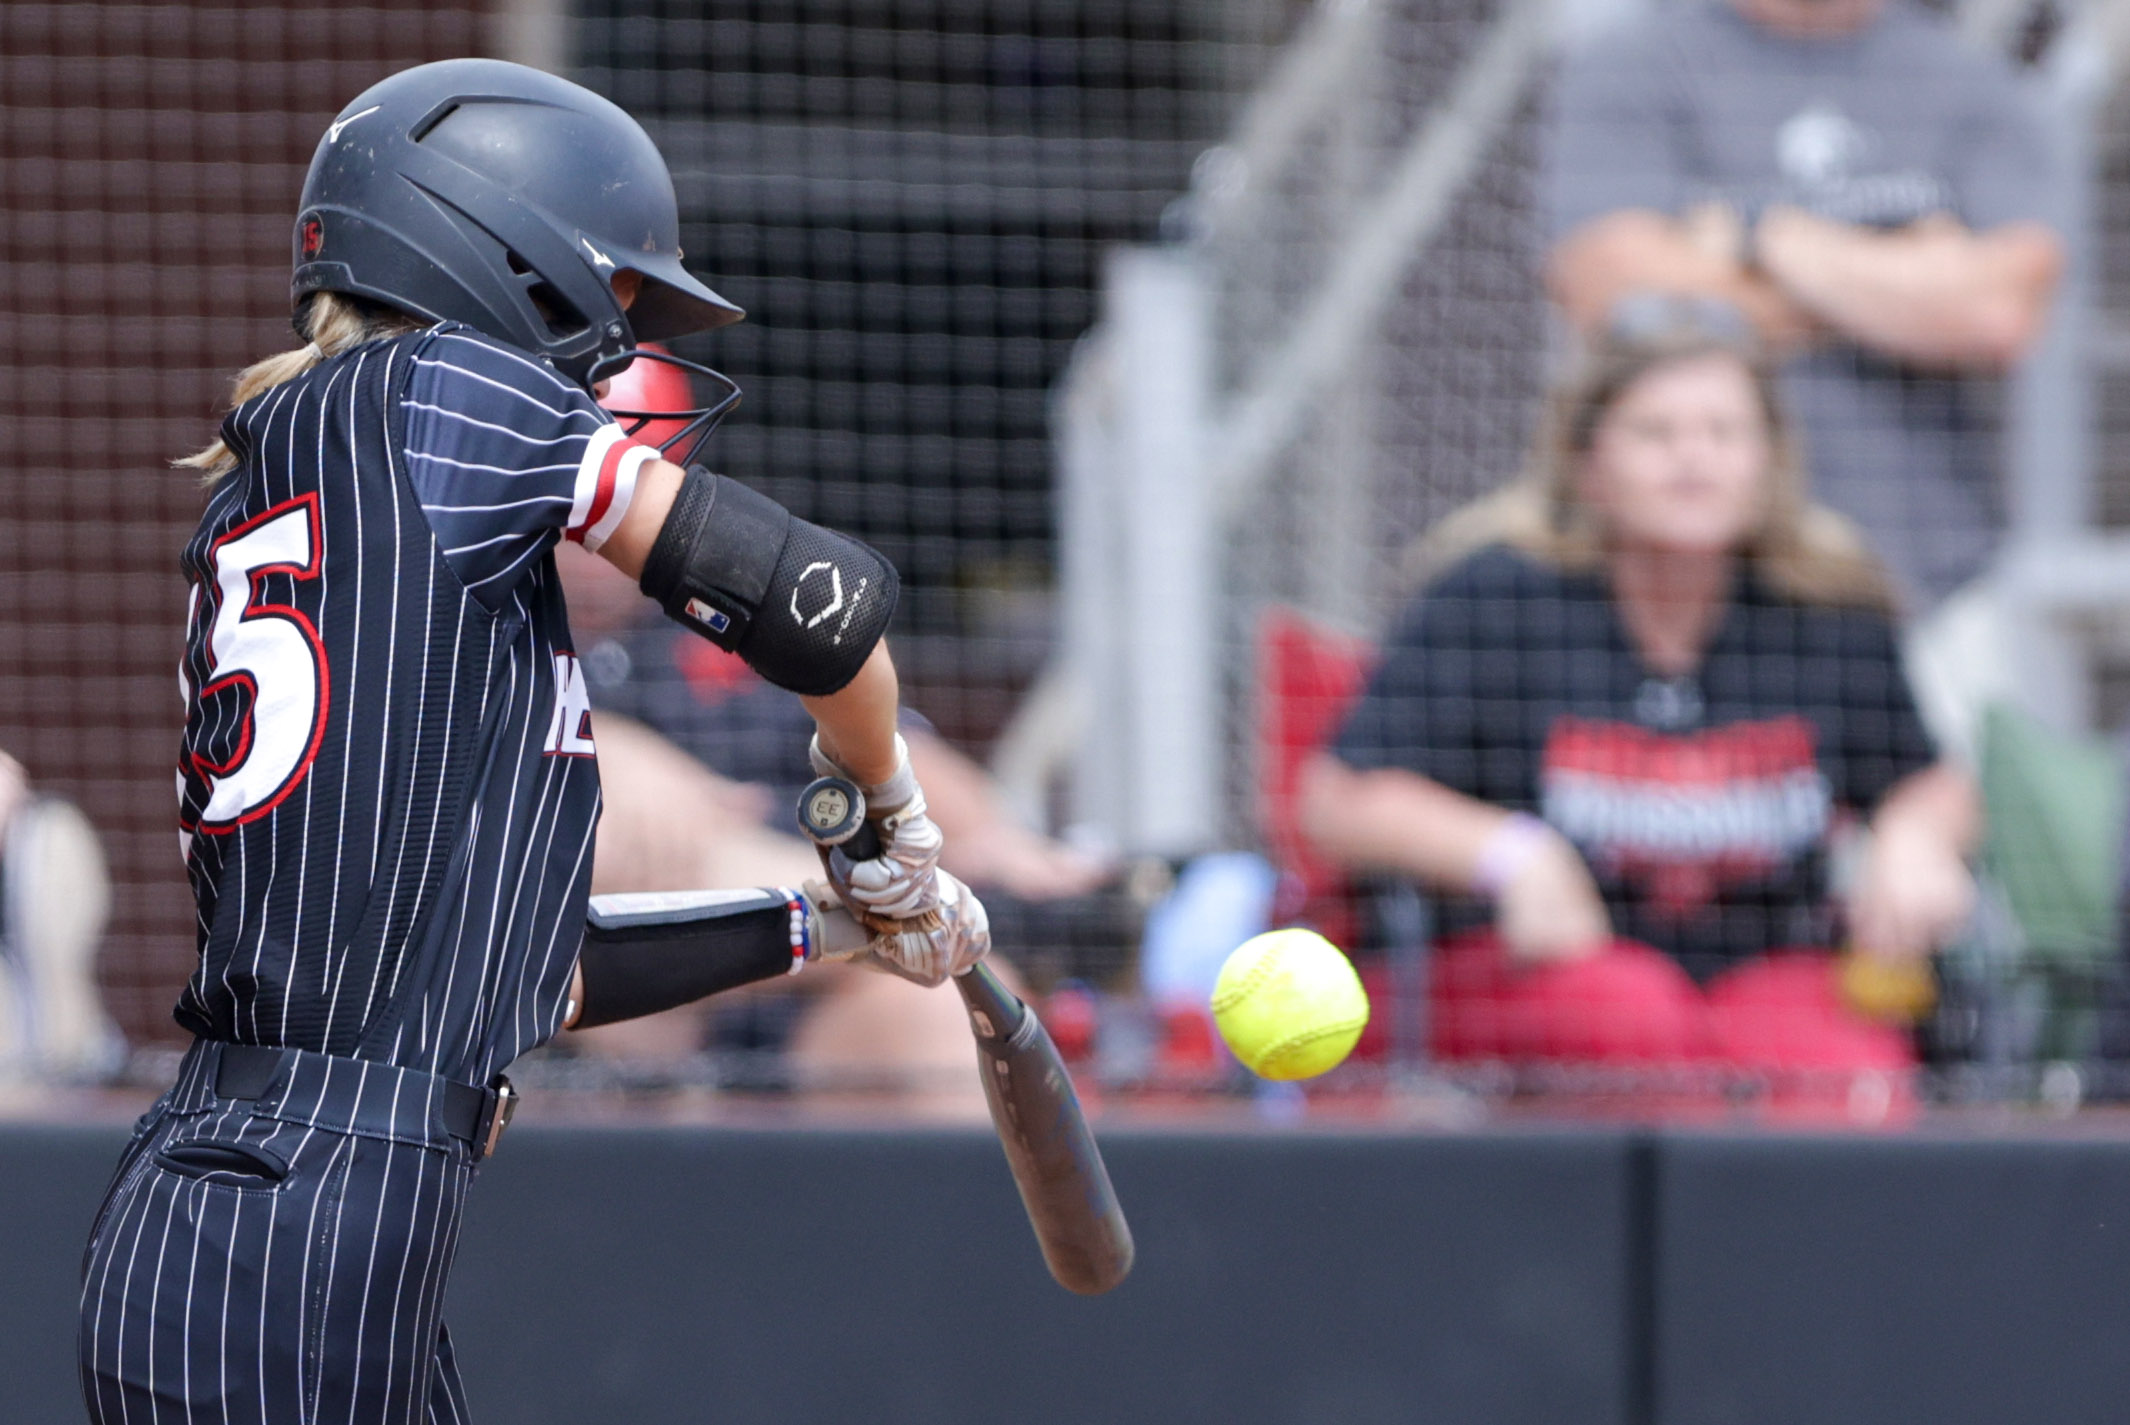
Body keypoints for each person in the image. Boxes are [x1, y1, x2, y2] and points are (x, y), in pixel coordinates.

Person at [78, 60, 988, 1423]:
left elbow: (530, 975)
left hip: (280, 1219)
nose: (614, 353)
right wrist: (891, 804)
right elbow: (819, 605)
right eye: (608, 302)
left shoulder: (349, 506)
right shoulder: (436, 391)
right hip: (298, 1230)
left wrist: (834, 925)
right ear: (505, 255)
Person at [1299, 307, 1978, 1118]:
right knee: (1628, 1025)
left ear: (1769, 462)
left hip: (1759, 965)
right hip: (1536, 965)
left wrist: (1914, 836)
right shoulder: (1497, 595)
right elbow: (1338, 798)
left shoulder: (1826, 608)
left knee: (1849, 1077)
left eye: (1725, 433)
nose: (1694, 458)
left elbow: (1930, 781)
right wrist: (1511, 853)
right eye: (1656, 433)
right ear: (1588, 464)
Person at [1543, 0, 2069, 757]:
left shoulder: (1964, 81)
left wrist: (1760, 234)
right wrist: (1907, 275)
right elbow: (1610, 290)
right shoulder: (1640, 60)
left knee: (1937, 851)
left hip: (1924, 593)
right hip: (1693, 611)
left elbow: (1998, 309)